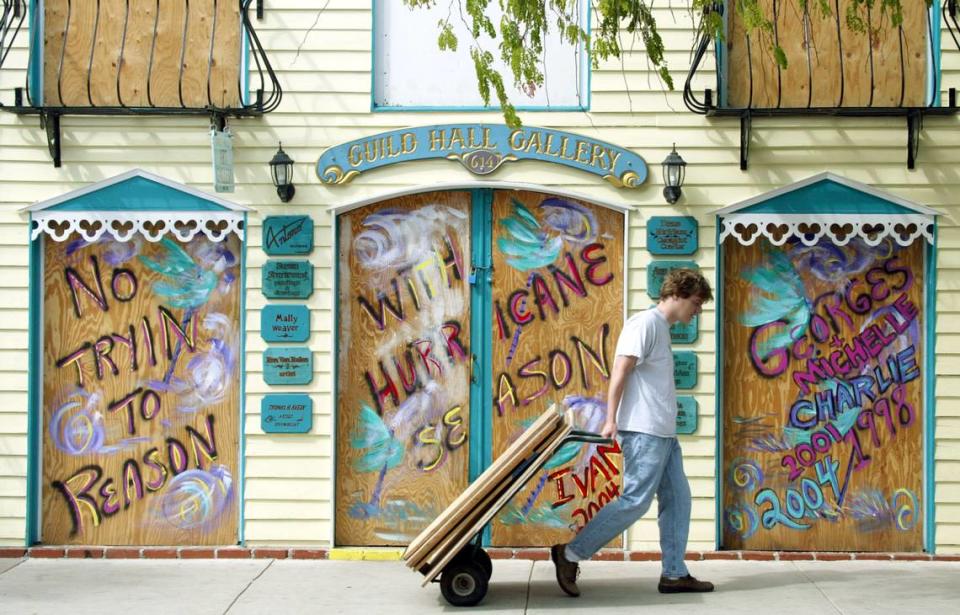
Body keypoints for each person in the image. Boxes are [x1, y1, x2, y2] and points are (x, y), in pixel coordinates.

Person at [551, 268, 715, 597]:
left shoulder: (662, 329)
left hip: (663, 435)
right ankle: (569, 554)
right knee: (635, 502)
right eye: (696, 303)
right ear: (678, 294)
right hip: (643, 432)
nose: (697, 311)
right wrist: (611, 419)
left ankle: (673, 573)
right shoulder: (645, 324)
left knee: (678, 500)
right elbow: (620, 370)